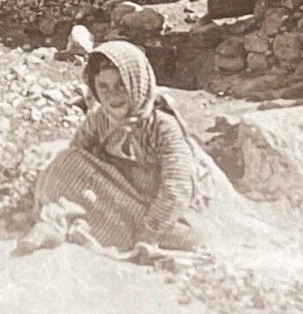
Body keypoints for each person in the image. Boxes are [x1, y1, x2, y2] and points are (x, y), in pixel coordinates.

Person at [32, 41, 211, 252]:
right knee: (65, 160)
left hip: (158, 211)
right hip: (118, 198)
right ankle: (56, 223)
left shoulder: (163, 127)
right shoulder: (99, 120)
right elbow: (76, 160)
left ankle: (85, 226)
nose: (112, 95)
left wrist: (150, 232)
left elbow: (176, 187)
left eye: (121, 86)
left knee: (189, 236)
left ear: (137, 86)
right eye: (103, 87)